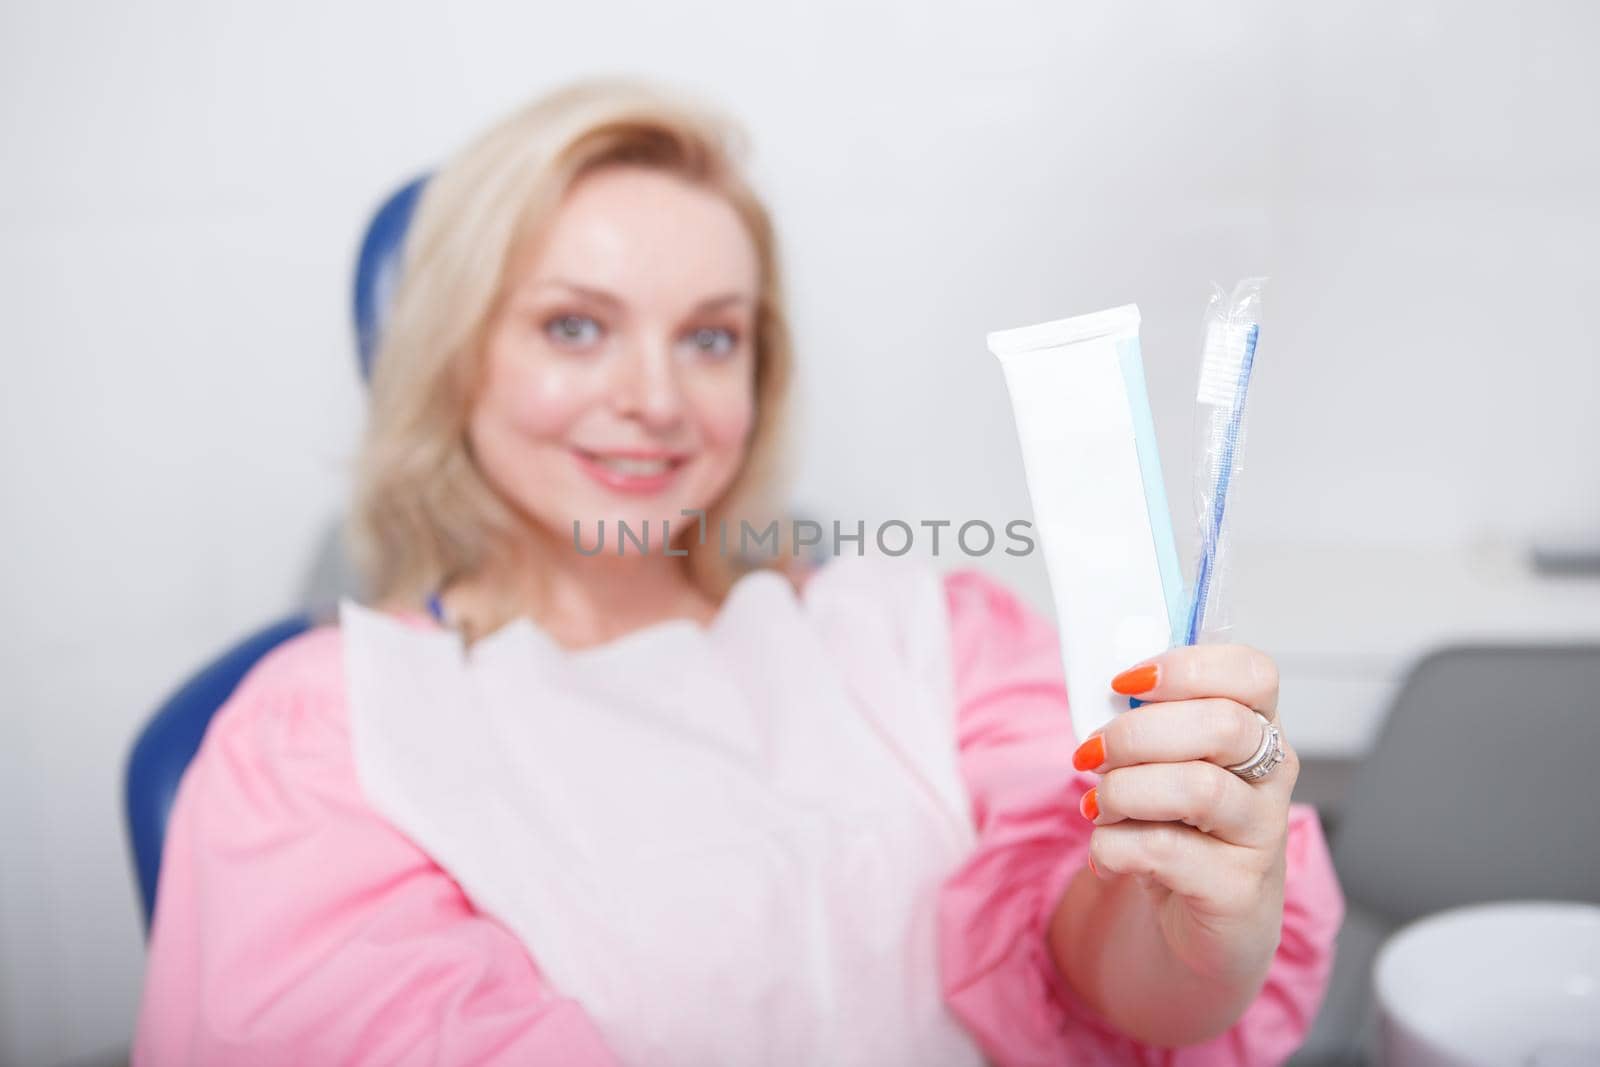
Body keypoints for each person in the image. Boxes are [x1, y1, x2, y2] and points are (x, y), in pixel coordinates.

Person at [133, 81, 1343, 1065]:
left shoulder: (930, 635)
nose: (655, 400)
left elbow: (1111, 990)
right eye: (573, 325)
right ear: (455, 357)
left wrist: (1198, 924)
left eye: (711, 336)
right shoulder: (323, 740)